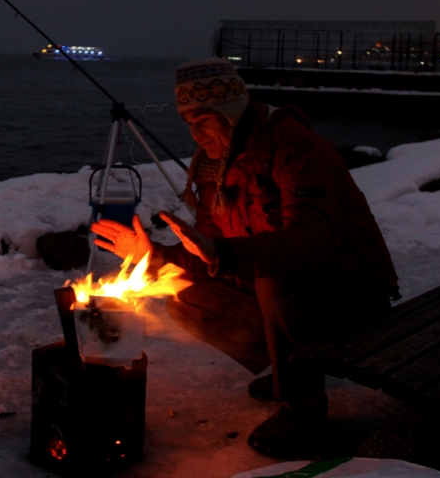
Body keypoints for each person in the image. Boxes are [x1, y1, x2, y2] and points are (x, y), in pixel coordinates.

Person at [91, 57, 399, 458]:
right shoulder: (210, 170)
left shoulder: (294, 145)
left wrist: (225, 253)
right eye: (187, 122)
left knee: (275, 277)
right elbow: (215, 254)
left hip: (354, 289)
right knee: (186, 296)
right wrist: (155, 255)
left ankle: (302, 409)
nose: (195, 132)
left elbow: (312, 242)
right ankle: (286, 362)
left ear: (230, 112)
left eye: (204, 120)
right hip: (291, 292)